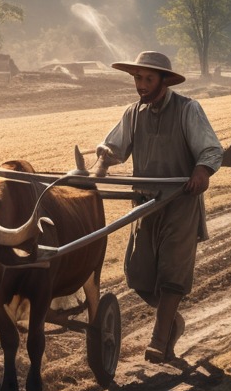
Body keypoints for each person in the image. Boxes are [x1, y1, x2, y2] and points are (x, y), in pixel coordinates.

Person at [90, 51, 223, 363]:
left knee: (172, 271)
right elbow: (113, 148)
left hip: (180, 202)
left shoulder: (188, 109)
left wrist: (201, 172)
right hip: (146, 204)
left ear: (164, 80)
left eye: (148, 79)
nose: (141, 85)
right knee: (138, 273)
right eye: (138, 78)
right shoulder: (133, 113)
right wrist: (100, 165)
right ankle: (172, 320)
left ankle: (159, 338)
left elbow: (210, 149)